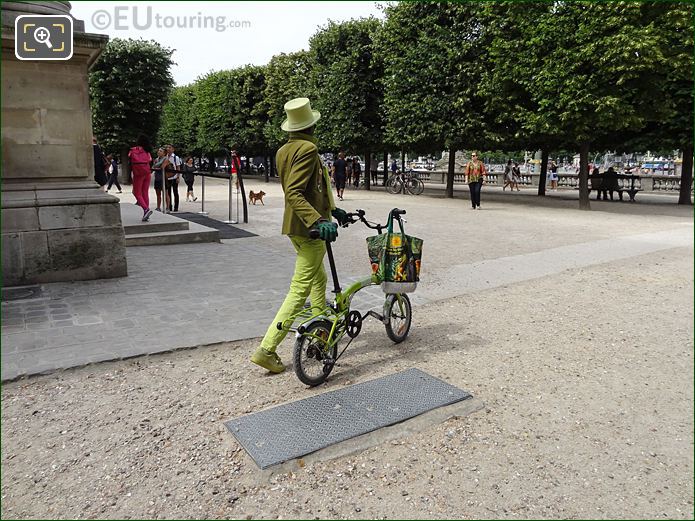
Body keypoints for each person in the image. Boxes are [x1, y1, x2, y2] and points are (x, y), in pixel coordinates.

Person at [250, 98, 348, 374]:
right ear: (311, 124)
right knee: (299, 288)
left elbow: (314, 187)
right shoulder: (308, 148)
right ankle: (267, 349)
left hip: (294, 226)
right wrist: (318, 219)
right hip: (310, 228)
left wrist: (333, 208)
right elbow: (294, 191)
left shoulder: (284, 150)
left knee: (319, 279)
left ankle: (320, 330)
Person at [128, 135, 154, 222]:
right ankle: (146, 212)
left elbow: (130, 158)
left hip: (138, 173)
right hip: (147, 172)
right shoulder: (147, 151)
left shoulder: (134, 150)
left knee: (136, 192)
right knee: (145, 192)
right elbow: (150, 160)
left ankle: (146, 209)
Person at [152, 147, 169, 212]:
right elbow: (153, 167)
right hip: (157, 177)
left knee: (166, 193)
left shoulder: (166, 159)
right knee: (158, 193)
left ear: (164, 153)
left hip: (163, 177)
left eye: (161, 151)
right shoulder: (156, 159)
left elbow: (162, 167)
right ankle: (158, 207)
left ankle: (167, 207)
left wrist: (156, 167)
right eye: (158, 151)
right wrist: (156, 167)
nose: (159, 152)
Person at [165, 145, 181, 212]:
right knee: (168, 193)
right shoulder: (165, 157)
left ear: (173, 149)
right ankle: (169, 206)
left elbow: (178, 167)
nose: (168, 149)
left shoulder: (175, 157)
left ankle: (176, 207)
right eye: (167, 147)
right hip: (167, 177)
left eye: (170, 148)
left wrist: (178, 177)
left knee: (175, 192)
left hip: (174, 177)